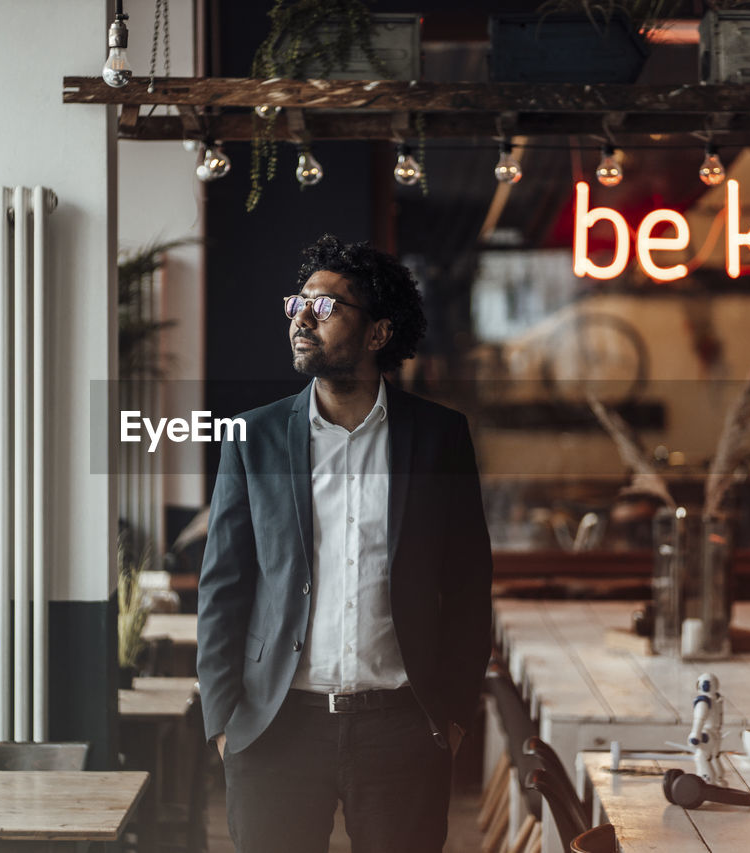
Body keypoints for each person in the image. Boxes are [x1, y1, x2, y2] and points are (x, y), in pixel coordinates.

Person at [196, 234, 492, 852]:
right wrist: (224, 722)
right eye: (297, 304)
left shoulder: (439, 438)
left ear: (378, 333)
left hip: (401, 727)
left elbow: (468, 586)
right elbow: (224, 586)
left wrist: (455, 718)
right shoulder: (253, 437)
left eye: (325, 308)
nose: (302, 319)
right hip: (276, 728)